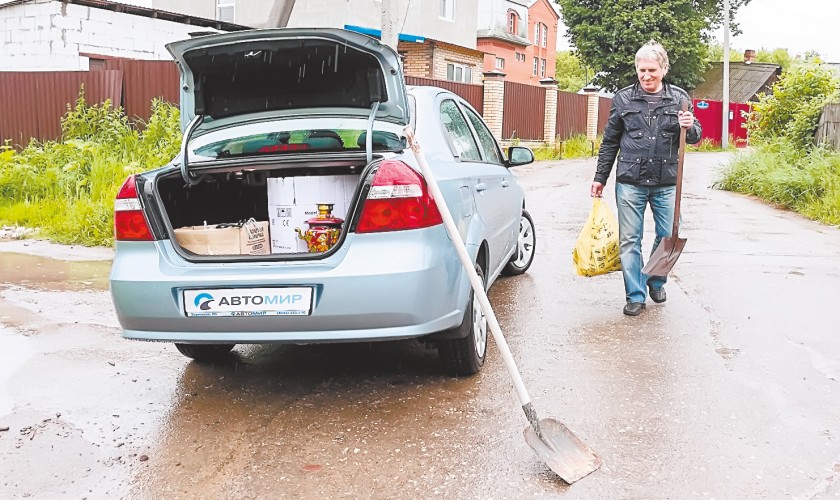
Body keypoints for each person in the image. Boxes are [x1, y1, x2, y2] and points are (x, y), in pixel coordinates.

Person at [591, 40, 702, 316]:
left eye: (652, 69)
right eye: (642, 70)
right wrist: (600, 177)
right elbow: (610, 142)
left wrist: (691, 125)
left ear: (663, 69)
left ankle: (655, 278)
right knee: (630, 239)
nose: (646, 75)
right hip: (630, 181)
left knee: (668, 234)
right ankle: (635, 295)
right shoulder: (623, 99)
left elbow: (696, 135)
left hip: (666, 183)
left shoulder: (679, 99)